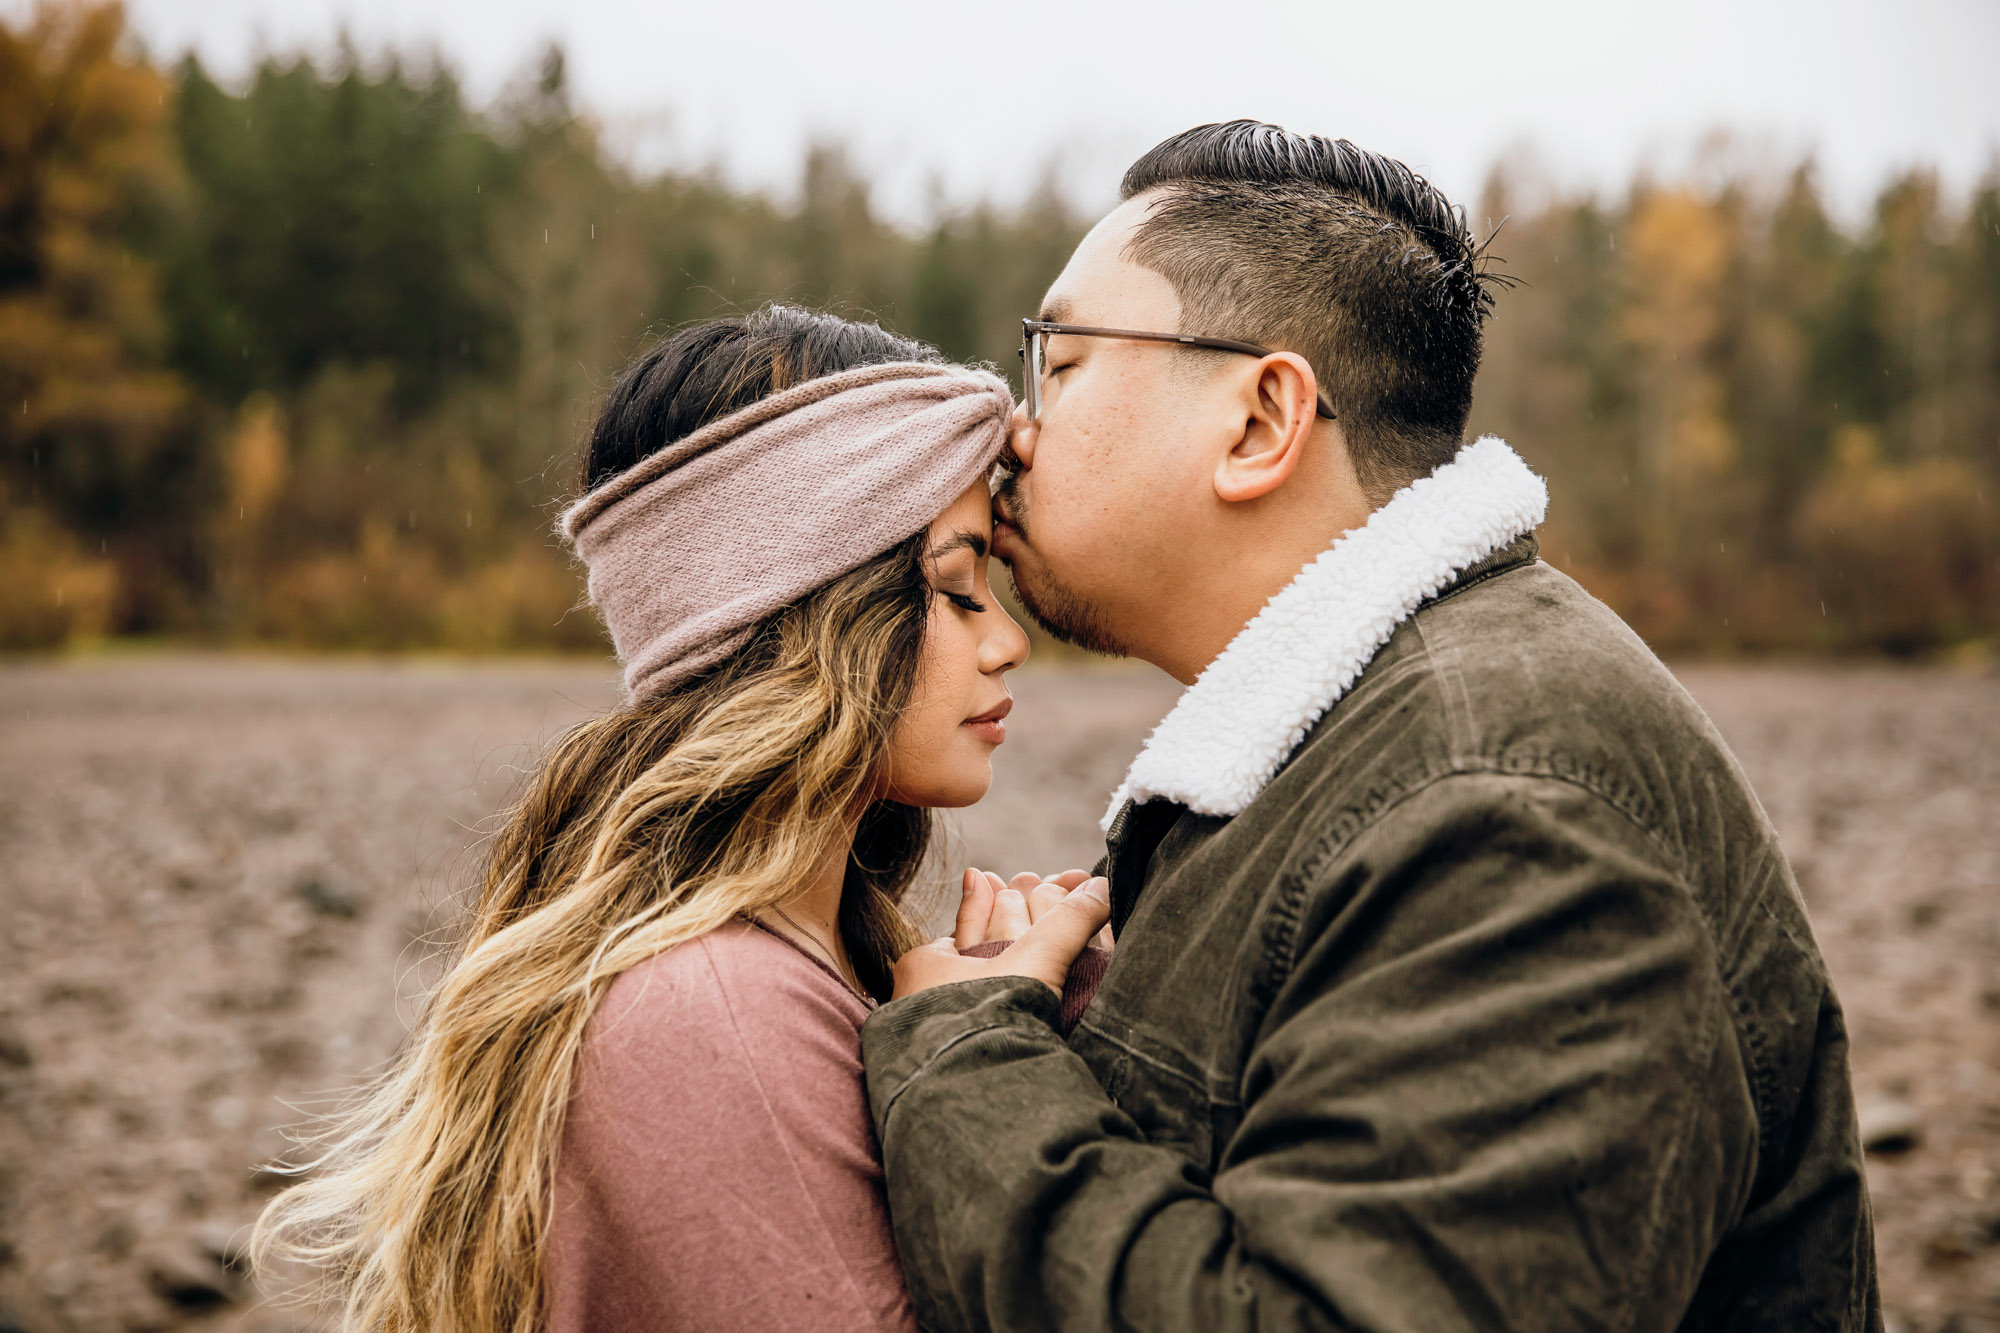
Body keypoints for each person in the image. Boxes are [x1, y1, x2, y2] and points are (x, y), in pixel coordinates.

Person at [861, 120, 1882, 1331]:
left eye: (1060, 363)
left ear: (1258, 421)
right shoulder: (1361, 750)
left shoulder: (1500, 811)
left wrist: (968, 1066)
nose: (1011, 428)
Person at [249, 305, 1107, 1332]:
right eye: (958, 586)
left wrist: (1031, 1046)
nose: (1005, 639)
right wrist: (990, 1073)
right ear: (813, 619)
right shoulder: (716, 1013)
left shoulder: (788, 968)